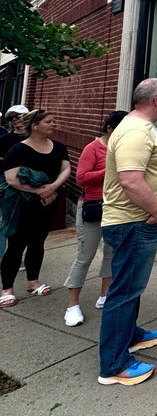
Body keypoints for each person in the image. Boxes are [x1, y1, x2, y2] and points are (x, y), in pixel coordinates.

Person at [97, 78, 157, 386]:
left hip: (136, 221)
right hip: (133, 222)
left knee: (132, 285)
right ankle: (114, 365)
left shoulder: (140, 128)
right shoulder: (133, 132)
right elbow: (130, 180)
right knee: (125, 289)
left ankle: (131, 335)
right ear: (156, 100)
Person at [63, 110, 128, 326]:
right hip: (93, 206)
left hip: (116, 207)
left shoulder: (125, 148)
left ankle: (105, 295)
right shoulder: (93, 148)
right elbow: (81, 177)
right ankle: (72, 304)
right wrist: (108, 170)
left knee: (112, 254)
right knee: (85, 255)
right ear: (110, 128)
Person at [1, 110, 71, 307]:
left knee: (38, 241)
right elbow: (11, 178)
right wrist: (39, 190)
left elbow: (65, 169)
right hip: (22, 203)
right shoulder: (18, 150)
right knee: (16, 244)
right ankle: (7, 288)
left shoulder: (58, 147)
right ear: (35, 125)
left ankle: (33, 281)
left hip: (48, 202)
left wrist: (53, 187)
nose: (52, 124)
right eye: (48, 121)